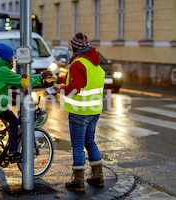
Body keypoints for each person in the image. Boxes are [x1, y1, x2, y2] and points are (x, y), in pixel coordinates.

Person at [0, 43, 51, 162]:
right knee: (14, 121)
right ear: (7, 58)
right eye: (12, 57)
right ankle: (12, 152)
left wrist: (9, 94)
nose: (13, 60)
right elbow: (23, 82)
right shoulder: (3, 70)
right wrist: (41, 77)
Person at [53, 32, 105, 191]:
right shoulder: (94, 63)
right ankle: (98, 177)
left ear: (74, 47)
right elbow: (80, 81)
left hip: (79, 112)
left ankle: (78, 180)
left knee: (77, 145)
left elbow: (74, 88)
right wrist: (58, 79)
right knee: (89, 141)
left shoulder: (78, 63)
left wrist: (59, 89)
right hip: (94, 111)